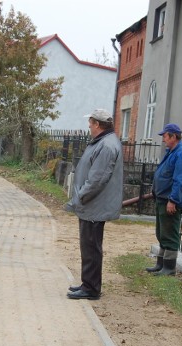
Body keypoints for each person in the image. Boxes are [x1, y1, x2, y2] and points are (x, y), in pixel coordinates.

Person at [65, 109, 123, 300]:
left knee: (91, 247)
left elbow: (97, 179)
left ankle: (91, 288)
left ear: (98, 124)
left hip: (94, 205)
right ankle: (87, 283)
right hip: (92, 205)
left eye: (90, 122)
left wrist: (80, 197)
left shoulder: (106, 146)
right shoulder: (104, 142)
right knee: (88, 246)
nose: (88, 126)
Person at [141, 123, 182, 275]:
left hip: (170, 201)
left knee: (169, 233)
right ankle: (161, 264)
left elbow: (180, 180)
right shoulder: (172, 151)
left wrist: (173, 200)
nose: (163, 139)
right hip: (162, 199)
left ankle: (169, 268)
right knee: (162, 233)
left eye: (165, 136)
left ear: (173, 136)